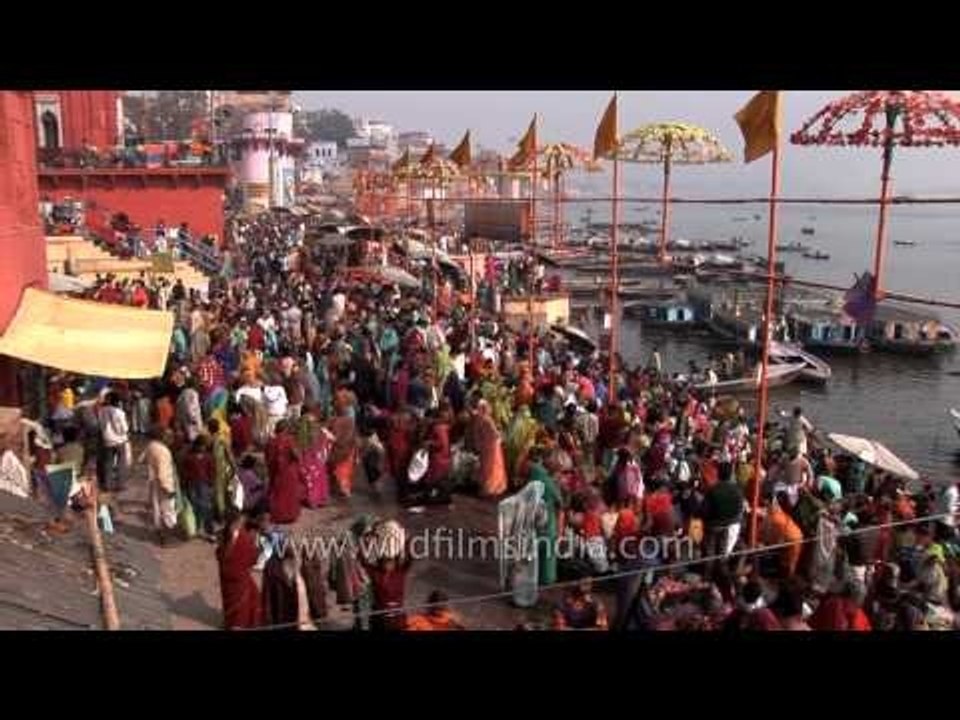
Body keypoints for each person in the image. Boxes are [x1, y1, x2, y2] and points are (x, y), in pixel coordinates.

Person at [217, 510, 262, 629]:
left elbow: (219, 555)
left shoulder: (222, 535)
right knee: (242, 604)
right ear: (235, 522)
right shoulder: (245, 539)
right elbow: (253, 559)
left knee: (233, 600)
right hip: (239, 578)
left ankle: (231, 622)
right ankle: (239, 625)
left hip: (226, 577)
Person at [139, 426, 178, 544]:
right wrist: (168, 488)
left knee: (157, 510)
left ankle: (160, 533)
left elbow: (141, 459)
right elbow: (162, 473)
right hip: (164, 483)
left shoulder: (151, 446)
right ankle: (167, 539)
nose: (171, 438)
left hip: (154, 482)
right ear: (162, 436)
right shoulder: (164, 451)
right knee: (168, 511)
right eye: (168, 436)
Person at [266, 420, 302, 525]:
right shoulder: (289, 440)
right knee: (289, 494)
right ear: (286, 429)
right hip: (288, 472)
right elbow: (296, 455)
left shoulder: (271, 441)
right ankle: (289, 516)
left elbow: (267, 457)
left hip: (275, 471)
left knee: (277, 493)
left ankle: (278, 516)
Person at [182, 435, 216, 539]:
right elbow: (184, 472)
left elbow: (212, 471)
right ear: (196, 445)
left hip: (204, 485)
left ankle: (208, 530)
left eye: (204, 446)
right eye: (201, 446)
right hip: (192, 484)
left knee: (206, 507)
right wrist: (185, 483)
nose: (202, 448)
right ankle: (196, 528)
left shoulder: (208, 457)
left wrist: (211, 483)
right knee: (195, 506)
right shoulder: (189, 457)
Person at [472, 400, 507, 498]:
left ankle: (484, 488)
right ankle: (492, 489)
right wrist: (501, 435)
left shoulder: (478, 419)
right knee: (493, 467)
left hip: (484, 446)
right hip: (493, 446)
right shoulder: (488, 420)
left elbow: (476, 435)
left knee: (485, 467)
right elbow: (495, 433)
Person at [96, 391, 130, 492]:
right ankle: (120, 484)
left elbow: (101, 425)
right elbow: (124, 429)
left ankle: (107, 485)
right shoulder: (119, 412)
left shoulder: (101, 411)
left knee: (108, 463)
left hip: (107, 440)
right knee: (121, 462)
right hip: (120, 441)